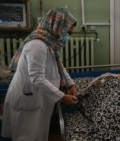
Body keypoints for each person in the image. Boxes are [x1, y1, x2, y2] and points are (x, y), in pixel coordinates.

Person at [1, 7, 78, 141]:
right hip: (28, 98)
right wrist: (61, 97)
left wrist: (71, 83)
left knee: (35, 135)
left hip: (37, 96)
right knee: (27, 136)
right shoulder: (37, 45)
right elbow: (36, 77)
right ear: (57, 26)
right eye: (68, 32)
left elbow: (59, 66)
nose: (67, 36)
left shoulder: (49, 44)